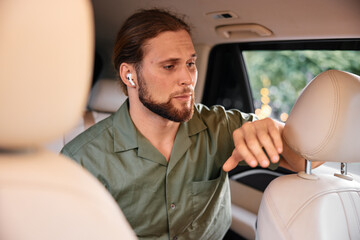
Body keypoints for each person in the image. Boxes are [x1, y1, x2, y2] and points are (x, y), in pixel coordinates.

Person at [61, 9, 321, 240]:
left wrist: (275, 132)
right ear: (130, 75)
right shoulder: (82, 161)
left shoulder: (221, 126)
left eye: (190, 64)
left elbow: (308, 159)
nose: (187, 78)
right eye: (169, 66)